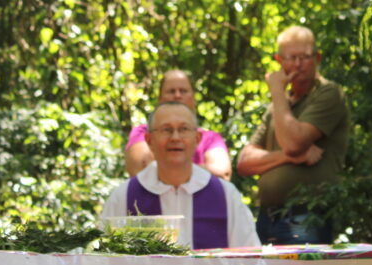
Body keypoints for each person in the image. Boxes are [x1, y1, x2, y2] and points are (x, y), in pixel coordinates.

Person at [236, 26, 351, 245]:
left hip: (307, 217)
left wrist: (277, 90)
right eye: (291, 57)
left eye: (305, 57)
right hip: (266, 217)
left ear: (317, 58)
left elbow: (294, 142)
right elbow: (244, 163)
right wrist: (290, 157)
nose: (297, 64)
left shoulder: (328, 93)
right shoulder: (278, 108)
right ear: (279, 59)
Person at [104, 101, 259, 249]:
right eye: (166, 130)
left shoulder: (226, 195)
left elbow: (249, 257)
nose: (175, 137)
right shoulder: (123, 197)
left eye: (184, 129)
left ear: (197, 139)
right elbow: (103, 259)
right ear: (149, 140)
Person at [125, 69, 232, 180]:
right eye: (171, 91)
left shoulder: (210, 138)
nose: (177, 95)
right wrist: (201, 171)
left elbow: (222, 174)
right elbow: (140, 170)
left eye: (183, 91)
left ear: (193, 97)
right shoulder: (143, 133)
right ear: (160, 98)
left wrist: (167, 168)